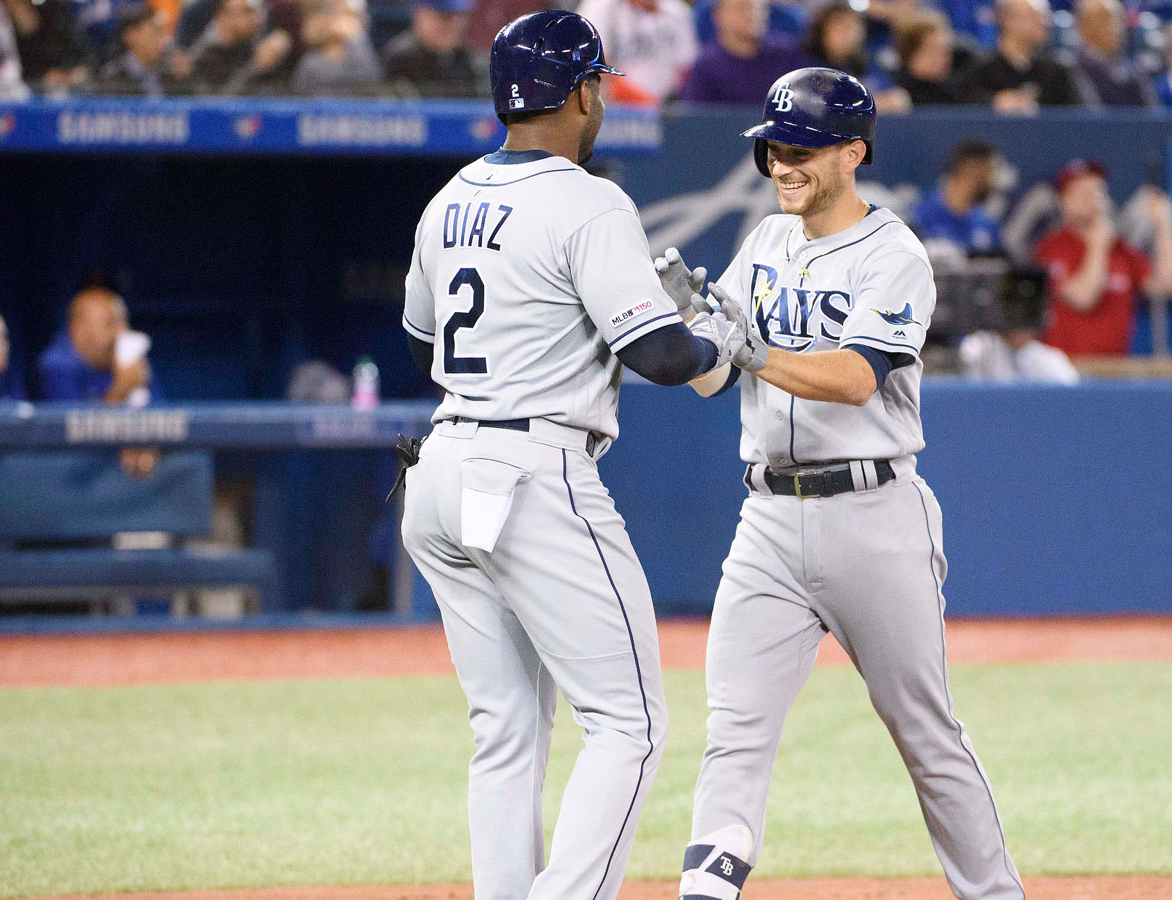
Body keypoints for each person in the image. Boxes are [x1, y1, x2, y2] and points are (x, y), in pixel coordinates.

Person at [397, 11, 743, 900]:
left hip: (441, 468)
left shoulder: (448, 200)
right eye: (599, 84)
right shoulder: (589, 200)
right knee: (629, 723)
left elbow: (419, 345)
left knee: (506, 727)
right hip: (532, 471)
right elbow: (663, 359)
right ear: (583, 91)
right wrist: (719, 347)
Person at [668, 66, 1024, 900]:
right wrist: (687, 327)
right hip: (766, 518)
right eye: (772, 150)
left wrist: (750, 348)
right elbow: (716, 383)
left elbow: (859, 377)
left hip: (872, 512)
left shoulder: (895, 253)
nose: (782, 164)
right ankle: (706, 893)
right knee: (734, 732)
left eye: (800, 148)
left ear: (852, 152)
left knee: (925, 732)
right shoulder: (762, 242)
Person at [1032, 158, 1172, 357]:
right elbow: (1083, 298)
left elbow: (1166, 286)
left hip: (1114, 371)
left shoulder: (1121, 249)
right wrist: (1098, 245)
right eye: (1083, 193)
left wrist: (1164, 224)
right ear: (1063, 201)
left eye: (1097, 191)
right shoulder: (1051, 248)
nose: (1092, 199)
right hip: (1064, 370)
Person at [37, 284, 161, 477]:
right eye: (110, 323)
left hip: (122, 474)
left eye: (123, 322)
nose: (122, 332)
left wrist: (148, 449)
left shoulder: (126, 358)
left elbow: (164, 422)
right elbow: (75, 440)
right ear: (79, 330)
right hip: (71, 481)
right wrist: (121, 389)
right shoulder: (56, 365)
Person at [953, 0, 1082, 111]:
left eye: (1047, 16)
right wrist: (995, 102)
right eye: (1037, 16)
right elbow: (959, 105)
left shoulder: (1057, 70)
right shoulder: (979, 69)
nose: (1046, 22)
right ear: (1009, 20)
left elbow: (1083, 112)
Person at [959, 268, 1080, 384]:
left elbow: (1076, 397)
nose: (1022, 324)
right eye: (1014, 313)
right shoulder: (976, 349)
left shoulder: (1049, 359)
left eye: (1029, 314)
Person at [677, 0, 808, 104]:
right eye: (741, 8)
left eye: (758, 8)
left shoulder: (786, 55)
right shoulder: (706, 65)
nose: (751, 14)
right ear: (718, 15)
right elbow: (694, 119)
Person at [578, 0, 697, 103]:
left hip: (668, 107)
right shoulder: (601, 6)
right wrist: (644, 102)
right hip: (617, 108)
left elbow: (686, 68)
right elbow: (594, 66)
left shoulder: (677, 11)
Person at [911, 138, 1004, 258]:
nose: (993, 179)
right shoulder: (919, 215)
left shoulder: (987, 224)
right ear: (972, 169)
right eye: (990, 169)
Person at [382, 0, 487, 97]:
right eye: (446, 16)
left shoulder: (469, 60)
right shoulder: (401, 60)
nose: (455, 24)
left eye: (460, 15)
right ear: (421, 15)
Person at [187, 0, 293, 94]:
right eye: (246, 12)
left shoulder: (254, 48)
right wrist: (257, 66)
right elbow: (217, 107)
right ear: (223, 17)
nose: (255, 18)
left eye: (255, 11)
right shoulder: (204, 58)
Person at [92, 2, 191, 95]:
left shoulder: (166, 74)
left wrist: (183, 78)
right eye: (154, 32)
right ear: (131, 35)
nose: (161, 40)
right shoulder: (112, 79)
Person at [1068, 0, 1154, 107]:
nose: (1114, 26)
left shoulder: (1135, 71)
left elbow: (1152, 116)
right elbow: (1091, 115)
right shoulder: (1071, 68)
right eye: (1104, 19)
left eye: (1118, 19)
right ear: (1082, 26)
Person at [291, 0, 380, 94]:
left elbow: (373, 78)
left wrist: (357, 38)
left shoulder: (356, 57)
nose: (343, 23)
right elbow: (301, 96)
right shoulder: (311, 62)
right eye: (334, 18)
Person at [890, 10, 976, 106]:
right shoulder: (895, 88)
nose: (944, 58)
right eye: (933, 50)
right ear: (912, 55)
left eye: (946, 50)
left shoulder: (960, 87)